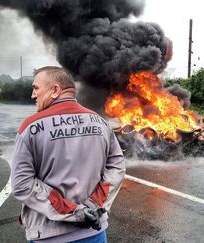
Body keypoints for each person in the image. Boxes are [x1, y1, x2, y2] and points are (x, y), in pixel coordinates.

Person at [11, 66, 125, 242]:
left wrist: (74, 212)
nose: (33, 95)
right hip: (95, 232)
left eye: (36, 88)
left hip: (51, 236)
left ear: (55, 90)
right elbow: (117, 167)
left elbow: (22, 185)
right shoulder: (101, 122)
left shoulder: (30, 128)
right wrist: (93, 205)